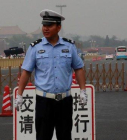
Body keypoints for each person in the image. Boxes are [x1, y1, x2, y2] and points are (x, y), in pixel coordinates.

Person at [15, 9, 88, 140]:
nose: (45, 29)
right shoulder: (35, 47)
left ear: (58, 27)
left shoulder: (69, 46)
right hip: (44, 101)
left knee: (65, 135)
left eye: (50, 25)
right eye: (44, 25)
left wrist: (83, 90)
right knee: (43, 136)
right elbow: (26, 71)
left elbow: (79, 68)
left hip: (64, 101)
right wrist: (19, 95)